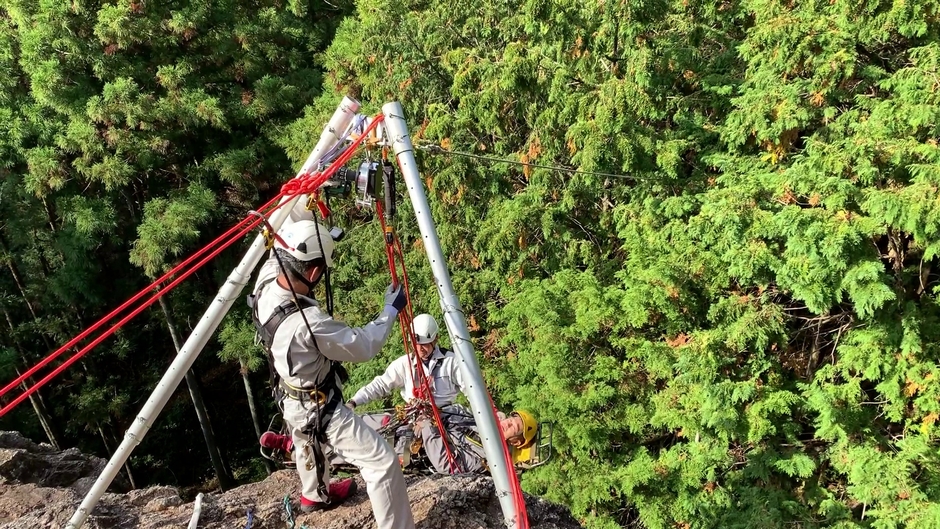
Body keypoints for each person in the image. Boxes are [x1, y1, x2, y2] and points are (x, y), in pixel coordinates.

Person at [250, 200, 415, 529]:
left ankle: (315, 494)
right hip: (319, 403)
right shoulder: (309, 323)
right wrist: (390, 310)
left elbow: (287, 228)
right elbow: (363, 345)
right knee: (381, 462)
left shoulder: (266, 282)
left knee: (304, 437)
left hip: (290, 392)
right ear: (313, 273)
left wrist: (306, 197)